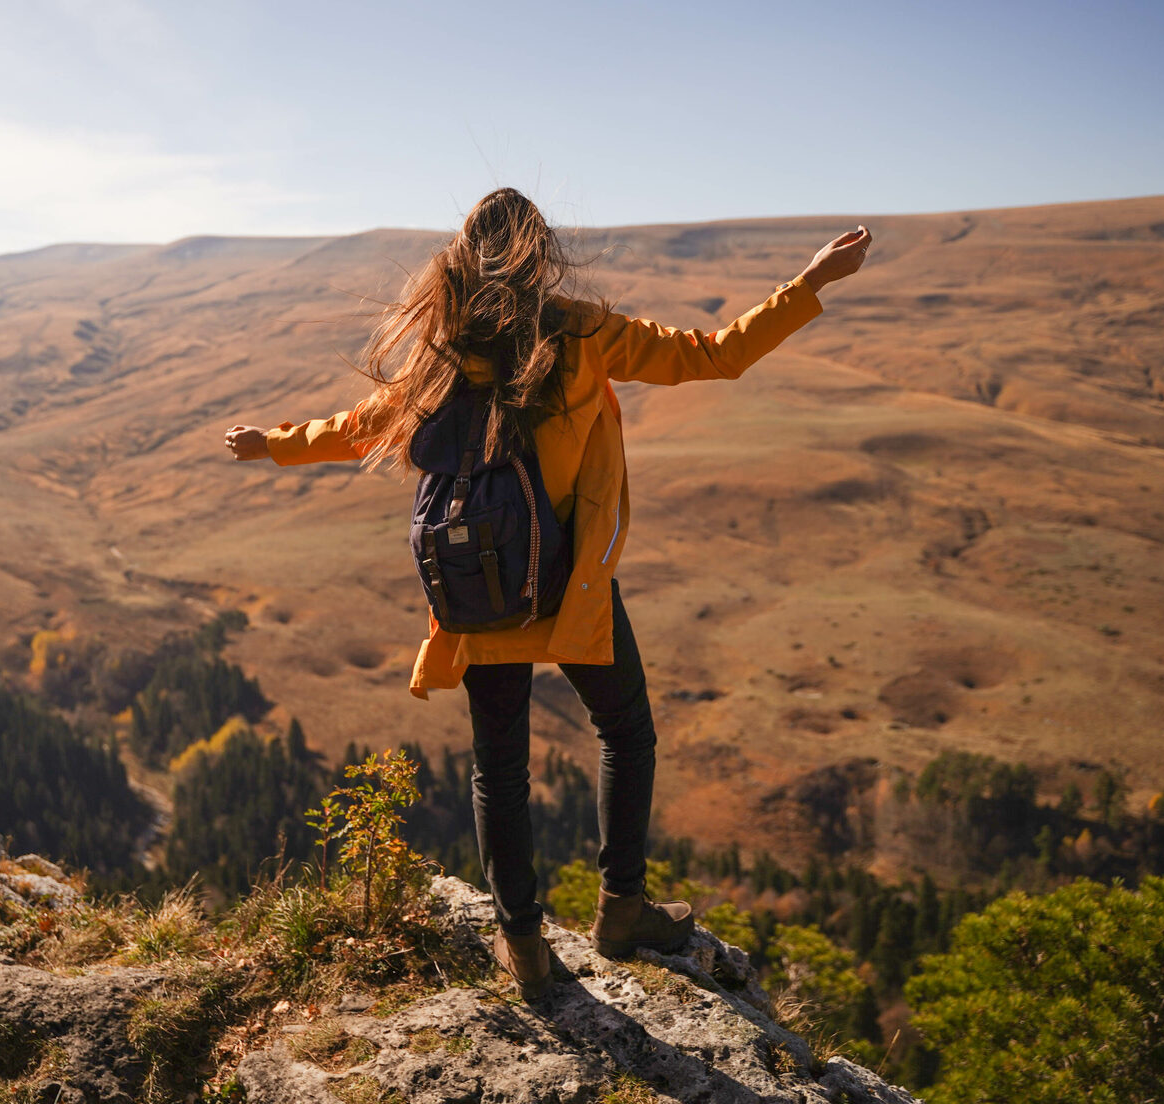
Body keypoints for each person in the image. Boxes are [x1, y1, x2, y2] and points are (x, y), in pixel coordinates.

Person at [224, 187, 870, 999]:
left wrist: (272, 445)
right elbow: (715, 353)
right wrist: (807, 285)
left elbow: (365, 423)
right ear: (539, 255)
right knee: (626, 733)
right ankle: (622, 910)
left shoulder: (441, 352)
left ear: (462, 260)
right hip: (569, 593)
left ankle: (524, 950)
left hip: (479, 592)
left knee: (500, 771)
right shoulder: (583, 333)